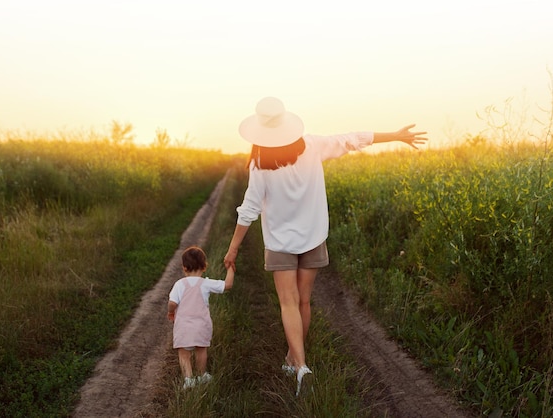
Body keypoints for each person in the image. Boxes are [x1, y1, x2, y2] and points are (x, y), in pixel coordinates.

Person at [223, 96, 427, 396]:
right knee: (304, 301)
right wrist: (395, 136)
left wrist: (234, 248)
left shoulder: (259, 164)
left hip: (280, 242)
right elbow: (354, 139)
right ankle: (294, 361)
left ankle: (300, 365)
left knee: (288, 303)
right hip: (313, 238)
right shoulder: (312, 145)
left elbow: (249, 209)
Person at [168, 246, 235, 389]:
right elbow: (227, 285)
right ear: (204, 267)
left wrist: (171, 312)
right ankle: (202, 374)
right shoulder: (206, 283)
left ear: (184, 267)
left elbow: (172, 302)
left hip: (184, 326)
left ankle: (188, 378)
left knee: (184, 353)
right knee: (201, 350)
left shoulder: (179, 284)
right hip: (202, 325)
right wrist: (230, 269)